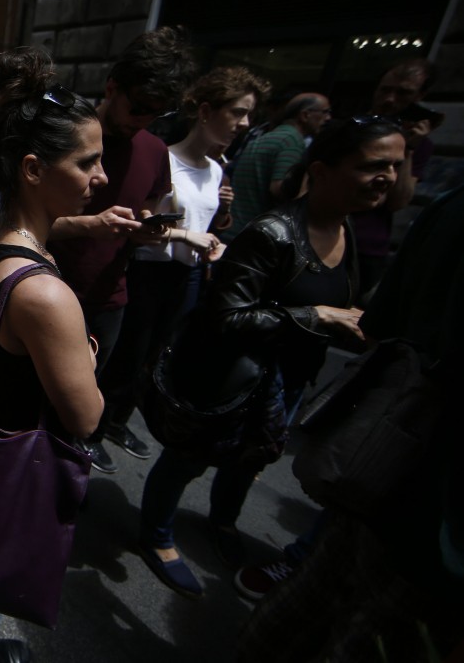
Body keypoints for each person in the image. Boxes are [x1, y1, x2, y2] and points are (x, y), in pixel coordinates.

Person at [136, 117, 406, 598]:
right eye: (372, 165)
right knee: (187, 459)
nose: (387, 176)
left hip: (289, 381)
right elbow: (226, 319)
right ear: (322, 170)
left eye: (395, 166)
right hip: (231, 378)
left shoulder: (349, 232)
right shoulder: (273, 233)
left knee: (250, 461)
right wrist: (317, 314)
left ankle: (222, 522)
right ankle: (156, 536)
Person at [236, 182, 464, 662]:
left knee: (314, 594)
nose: (383, 182)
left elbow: (379, 319)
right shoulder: (275, 231)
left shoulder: (448, 203)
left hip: (381, 460)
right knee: (373, 629)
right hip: (431, 509)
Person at [0, 47, 105, 663]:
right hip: (20, 453)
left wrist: (93, 225)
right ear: (35, 169)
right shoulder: (45, 295)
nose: (102, 176)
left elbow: (36, 231)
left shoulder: (1, 240)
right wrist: (87, 353)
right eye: (88, 162)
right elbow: (87, 418)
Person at [97, 67, 271, 462]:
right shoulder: (165, 160)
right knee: (127, 351)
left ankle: (118, 421)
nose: (244, 124)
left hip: (188, 275)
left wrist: (219, 223)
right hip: (149, 269)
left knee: (156, 354)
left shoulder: (217, 170)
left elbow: (208, 225)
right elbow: (144, 224)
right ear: (206, 111)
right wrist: (184, 235)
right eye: (238, 113)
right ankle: (95, 425)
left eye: (249, 116)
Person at [47, 25, 198, 474]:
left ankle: (65, 475)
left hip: (109, 299)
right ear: (112, 87)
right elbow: (20, 225)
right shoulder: (64, 133)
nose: (143, 121)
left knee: (82, 402)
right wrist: (91, 224)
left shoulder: (154, 150)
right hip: (47, 293)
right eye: (138, 109)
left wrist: (146, 231)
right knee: (34, 398)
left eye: (157, 113)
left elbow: (149, 210)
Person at [351, 58, 437, 299]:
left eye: (403, 93)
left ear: (420, 96)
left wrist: (409, 149)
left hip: (366, 248)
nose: (390, 100)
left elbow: (398, 201)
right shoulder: (349, 130)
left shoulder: (418, 145)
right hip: (326, 233)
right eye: (385, 90)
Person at [224, 93, 331, 239]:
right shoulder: (291, 141)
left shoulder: (268, 137)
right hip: (253, 234)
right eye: (325, 112)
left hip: (235, 228)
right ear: (305, 115)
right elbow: (279, 188)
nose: (328, 118)